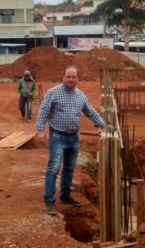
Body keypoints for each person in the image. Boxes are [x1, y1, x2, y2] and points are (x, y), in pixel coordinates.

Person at [36, 66, 105, 215]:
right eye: (68, 76)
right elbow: (43, 111)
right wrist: (40, 130)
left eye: (73, 77)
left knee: (69, 168)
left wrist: (103, 124)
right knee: (54, 168)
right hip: (57, 136)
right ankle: (49, 202)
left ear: (77, 79)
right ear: (63, 77)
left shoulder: (80, 95)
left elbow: (90, 111)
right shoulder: (53, 93)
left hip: (73, 137)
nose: (70, 79)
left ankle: (65, 195)